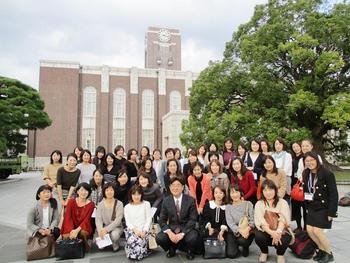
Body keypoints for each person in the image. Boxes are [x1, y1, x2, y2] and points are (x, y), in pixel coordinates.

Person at [302, 151, 338, 263]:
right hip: (312, 206)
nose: (310, 163)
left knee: (317, 231)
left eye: (312, 160)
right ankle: (322, 250)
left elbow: (334, 194)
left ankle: (329, 253)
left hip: (324, 207)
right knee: (310, 230)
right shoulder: (306, 173)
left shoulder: (327, 173)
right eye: (307, 161)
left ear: (317, 160)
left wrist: (332, 212)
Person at [156, 177, 200, 260]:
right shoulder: (166, 200)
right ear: (169, 187)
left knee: (193, 237)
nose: (175, 188)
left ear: (183, 187)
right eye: (173, 185)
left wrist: (182, 233)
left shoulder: (190, 200)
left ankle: (190, 250)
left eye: (178, 185)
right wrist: (169, 233)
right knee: (159, 238)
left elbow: (193, 219)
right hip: (172, 227)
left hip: (186, 227)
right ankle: (171, 248)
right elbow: (162, 220)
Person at [254, 179, 292, 263]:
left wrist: (277, 232)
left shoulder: (283, 202)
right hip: (266, 230)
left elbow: (283, 220)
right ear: (262, 192)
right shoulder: (259, 204)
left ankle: (280, 254)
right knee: (258, 236)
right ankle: (264, 252)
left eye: (270, 189)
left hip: (280, 230)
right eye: (265, 190)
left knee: (285, 238)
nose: (268, 193)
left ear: (275, 190)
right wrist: (272, 233)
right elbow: (261, 221)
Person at [61, 183, 95, 251]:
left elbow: (87, 220)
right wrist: (71, 231)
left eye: (86, 190)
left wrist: (76, 230)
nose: (84, 192)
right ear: (77, 191)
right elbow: (68, 217)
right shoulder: (71, 202)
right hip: (71, 226)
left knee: (83, 233)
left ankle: (83, 247)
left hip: (84, 226)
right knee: (67, 236)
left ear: (89, 192)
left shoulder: (91, 204)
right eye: (81, 190)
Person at [225, 184, 254, 258]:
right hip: (233, 231)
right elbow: (230, 222)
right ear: (229, 194)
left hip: (247, 230)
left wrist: (247, 229)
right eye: (232, 192)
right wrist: (240, 231)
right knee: (231, 254)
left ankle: (245, 246)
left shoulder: (248, 204)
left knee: (243, 241)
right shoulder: (228, 207)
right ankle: (235, 245)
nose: (235, 195)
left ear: (241, 192)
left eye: (237, 192)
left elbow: (253, 220)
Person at [202, 186, 232, 257]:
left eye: (221, 193)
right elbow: (205, 218)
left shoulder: (227, 206)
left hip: (223, 231)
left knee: (230, 253)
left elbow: (226, 220)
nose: (218, 195)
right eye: (216, 193)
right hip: (210, 229)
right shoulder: (208, 205)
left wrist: (221, 232)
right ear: (213, 194)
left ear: (224, 194)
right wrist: (209, 228)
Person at [124, 185, 152, 260]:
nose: (136, 197)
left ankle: (140, 251)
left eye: (138, 194)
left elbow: (149, 219)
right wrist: (135, 230)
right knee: (132, 240)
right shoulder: (127, 207)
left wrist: (144, 230)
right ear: (131, 195)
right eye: (134, 194)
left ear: (141, 195)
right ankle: (135, 252)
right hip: (132, 230)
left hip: (144, 230)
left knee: (139, 241)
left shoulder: (146, 204)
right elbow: (128, 222)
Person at [95, 182, 124, 252]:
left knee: (114, 235)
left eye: (111, 190)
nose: (109, 192)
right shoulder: (100, 204)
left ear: (114, 191)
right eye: (107, 190)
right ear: (104, 192)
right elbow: (98, 219)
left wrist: (106, 230)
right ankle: (106, 242)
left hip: (116, 227)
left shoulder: (119, 203)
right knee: (101, 246)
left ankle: (115, 243)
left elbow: (118, 220)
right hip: (104, 227)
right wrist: (100, 230)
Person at [290, 142, 306, 231]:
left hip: (303, 184)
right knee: (296, 207)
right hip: (294, 184)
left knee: (305, 206)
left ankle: (306, 227)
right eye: (293, 147)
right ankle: (299, 226)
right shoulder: (292, 158)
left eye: (297, 146)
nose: (296, 148)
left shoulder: (304, 157)